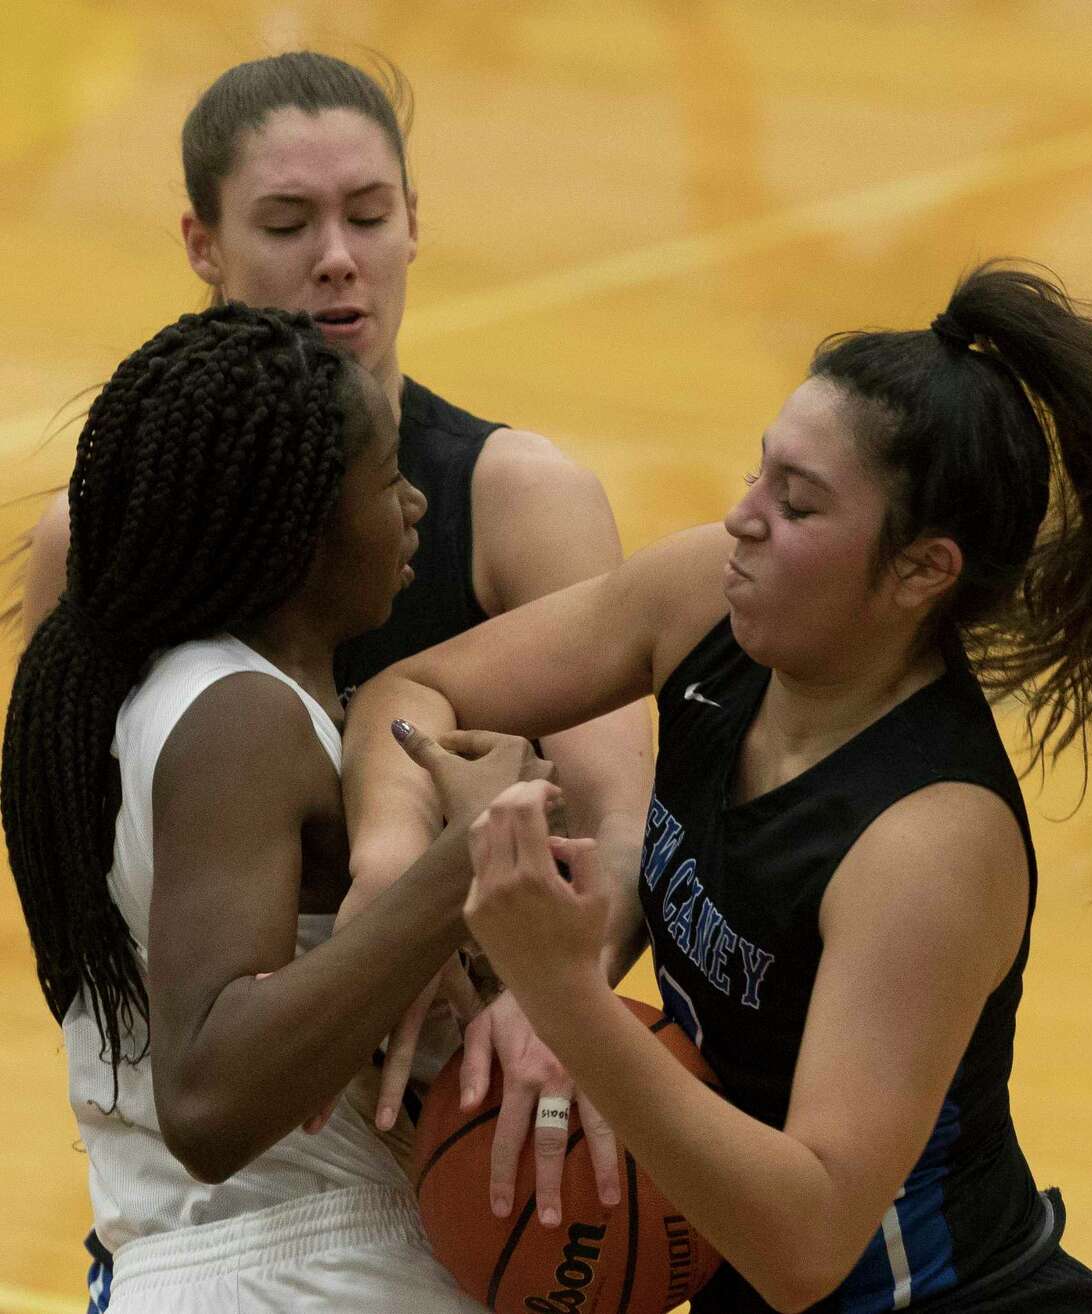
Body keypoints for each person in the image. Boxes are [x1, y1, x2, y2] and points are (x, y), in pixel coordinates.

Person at [358, 263, 1092, 1311]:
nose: (743, 518)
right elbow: (414, 688)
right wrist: (393, 865)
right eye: (761, 474)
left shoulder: (930, 841)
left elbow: (807, 1242)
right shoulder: (706, 602)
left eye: (796, 504)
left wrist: (566, 995)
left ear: (920, 572)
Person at [16, 50, 653, 1307]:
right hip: (274, 1225)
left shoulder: (517, 499)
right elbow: (93, 922)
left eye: (369, 213)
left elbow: (624, 824)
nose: (339, 257)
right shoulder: (160, 604)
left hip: (341, 1200)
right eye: (290, 222)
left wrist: (556, 1003)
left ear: (417, 219)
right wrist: (438, 883)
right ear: (202, 242)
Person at [1, 302, 555, 1311]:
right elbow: (209, 1099)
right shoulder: (237, 716)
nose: (416, 506)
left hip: (200, 1262)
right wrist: (466, 856)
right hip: (304, 1270)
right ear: (298, 528)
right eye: (388, 480)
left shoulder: (126, 691)